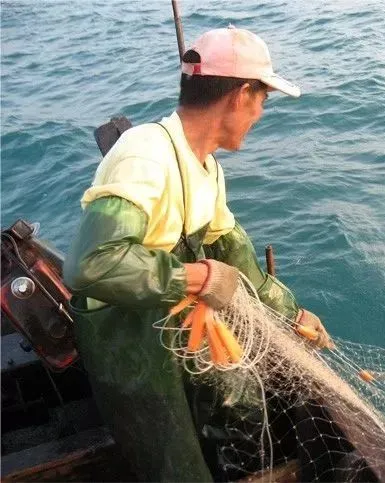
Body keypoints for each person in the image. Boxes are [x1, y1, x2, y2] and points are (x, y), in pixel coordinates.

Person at [64, 26, 330, 481]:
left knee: (241, 394)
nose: (261, 114)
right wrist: (198, 278)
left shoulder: (207, 168)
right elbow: (92, 263)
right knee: (175, 463)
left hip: (170, 319)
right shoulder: (145, 155)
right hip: (127, 337)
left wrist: (293, 313)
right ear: (241, 95)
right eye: (263, 100)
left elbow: (237, 256)